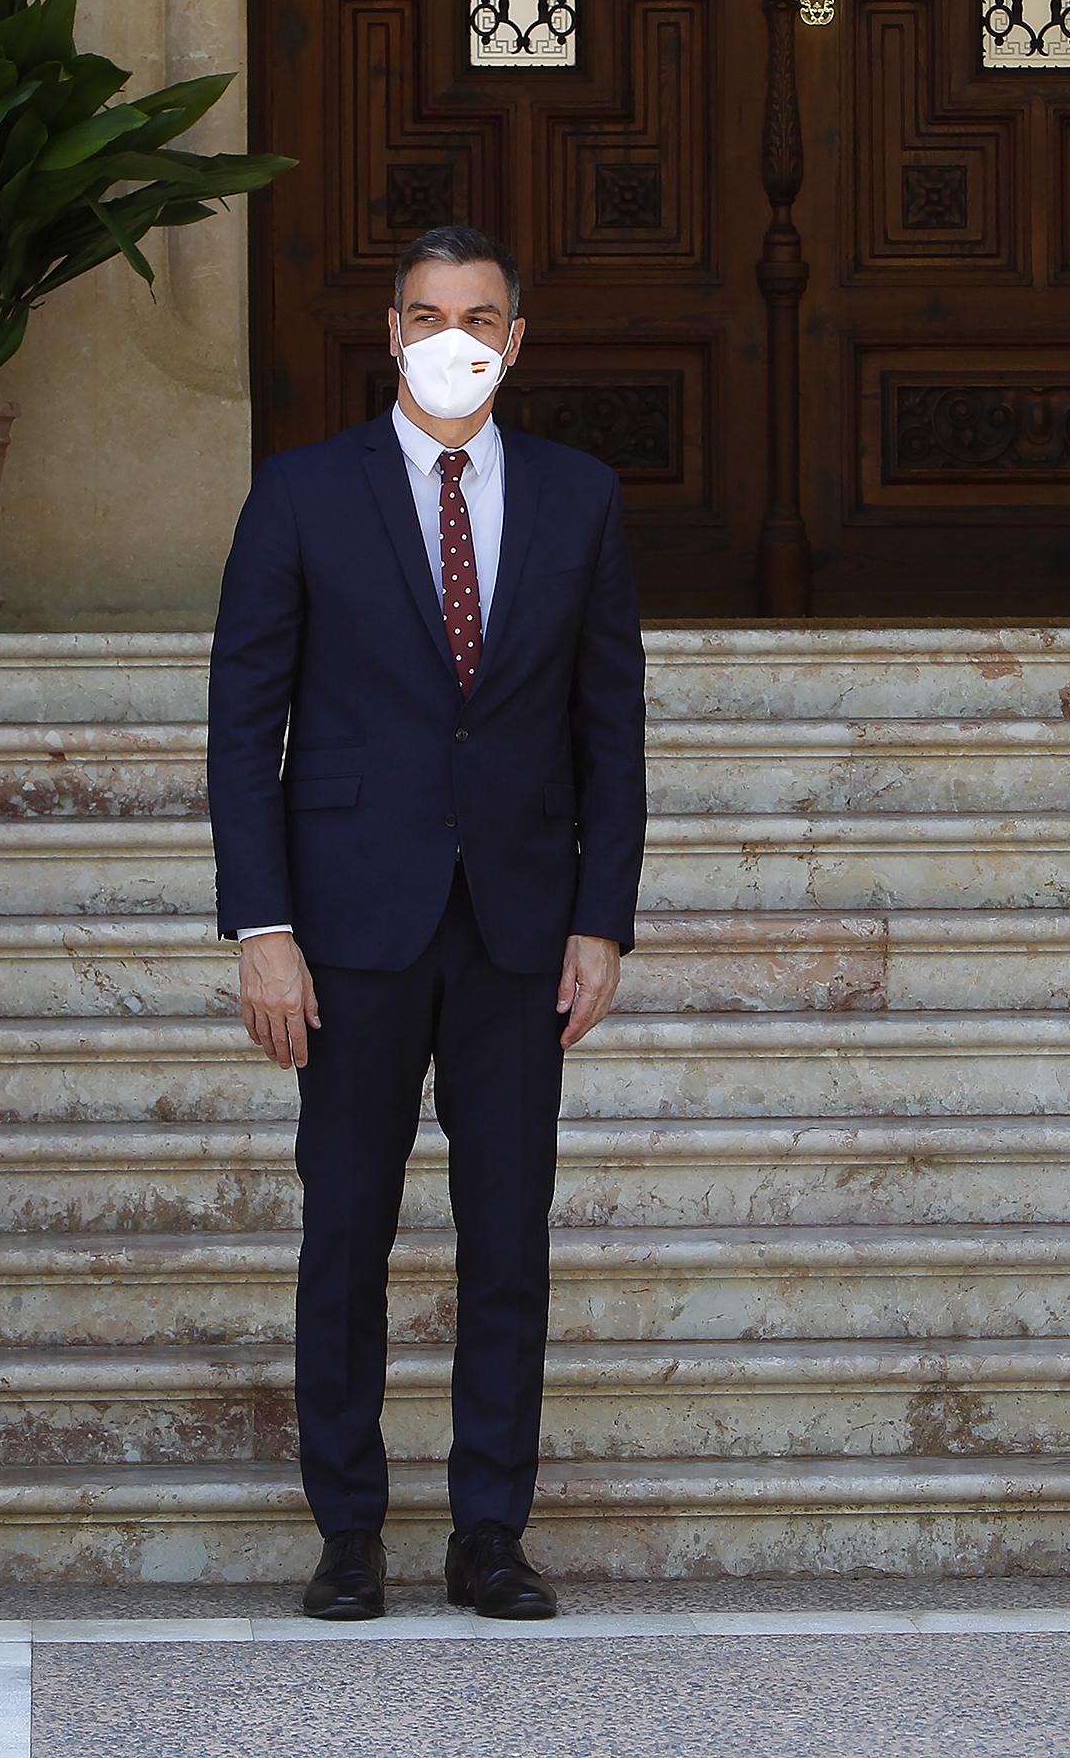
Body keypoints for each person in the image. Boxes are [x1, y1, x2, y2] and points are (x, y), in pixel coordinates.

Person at [209, 223, 647, 1623]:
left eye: (478, 315)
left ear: (516, 340)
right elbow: (242, 726)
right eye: (424, 314)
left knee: (506, 1238)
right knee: (345, 1230)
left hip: (520, 925)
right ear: (389, 334)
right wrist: (259, 925)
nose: (451, 337)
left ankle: (489, 1533)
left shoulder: (579, 499)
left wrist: (604, 919)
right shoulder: (299, 494)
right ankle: (349, 1532)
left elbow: (611, 729)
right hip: (348, 923)